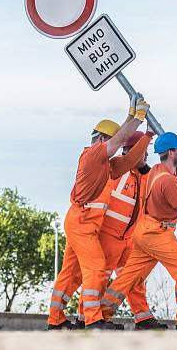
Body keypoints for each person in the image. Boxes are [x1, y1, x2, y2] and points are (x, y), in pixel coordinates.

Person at [47, 94, 153, 330]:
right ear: (103, 139)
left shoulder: (106, 165)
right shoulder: (93, 155)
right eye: (111, 140)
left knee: (72, 273)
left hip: (82, 224)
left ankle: (56, 320)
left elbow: (128, 161)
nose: (115, 146)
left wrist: (146, 136)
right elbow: (121, 139)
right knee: (96, 268)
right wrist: (136, 117)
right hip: (82, 224)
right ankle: (93, 320)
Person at [100, 132, 177, 330]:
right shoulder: (168, 182)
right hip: (157, 234)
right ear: (171, 153)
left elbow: (169, 174)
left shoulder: (157, 171)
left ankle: (100, 314)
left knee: (129, 277)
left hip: (143, 231)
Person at [74, 130, 168, 330]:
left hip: (129, 238)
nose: (145, 156)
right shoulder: (116, 169)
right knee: (98, 277)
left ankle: (142, 317)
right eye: (143, 151)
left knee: (133, 279)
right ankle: (86, 319)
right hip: (109, 236)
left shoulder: (142, 175)